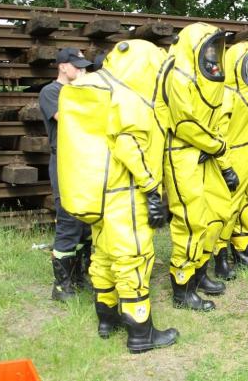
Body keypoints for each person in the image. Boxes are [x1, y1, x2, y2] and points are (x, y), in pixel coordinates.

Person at [57, 40, 178, 353]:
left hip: (100, 191)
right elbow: (129, 145)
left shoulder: (99, 87)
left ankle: (107, 318)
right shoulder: (129, 98)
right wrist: (151, 188)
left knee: (103, 255)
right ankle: (141, 333)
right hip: (125, 192)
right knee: (133, 257)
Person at [163, 22, 236, 311]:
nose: (212, 54)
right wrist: (216, 147)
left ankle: (200, 272)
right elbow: (184, 124)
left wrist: (215, 151)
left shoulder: (207, 77)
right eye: (208, 48)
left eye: (215, 48)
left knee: (218, 212)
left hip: (206, 154)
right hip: (183, 155)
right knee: (191, 221)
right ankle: (183, 288)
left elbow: (215, 117)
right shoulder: (178, 77)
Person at [38, 47, 93, 301]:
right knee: (69, 220)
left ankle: (79, 277)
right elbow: (69, 119)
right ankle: (61, 287)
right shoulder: (51, 92)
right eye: (77, 65)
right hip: (64, 161)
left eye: (84, 66)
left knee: (85, 222)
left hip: (84, 160)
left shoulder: (79, 90)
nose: (82, 70)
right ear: (62, 66)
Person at [215, 41, 248, 277]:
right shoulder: (227, 95)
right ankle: (218, 257)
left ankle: (242, 252)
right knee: (227, 209)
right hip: (235, 157)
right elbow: (219, 134)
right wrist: (225, 165)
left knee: (246, 205)